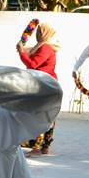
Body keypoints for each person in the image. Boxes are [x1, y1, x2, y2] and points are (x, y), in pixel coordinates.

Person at [18, 22, 59, 154]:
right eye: (37, 32)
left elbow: (33, 65)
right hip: (40, 84)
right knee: (41, 114)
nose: (37, 34)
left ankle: (42, 144)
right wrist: (22, 50)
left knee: (42, 115)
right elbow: (30, 56)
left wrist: (21, 53)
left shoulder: (45, 48)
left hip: (45, 86)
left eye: (40, 32)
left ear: (45, 34)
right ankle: (42, 145)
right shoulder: (40, 47)